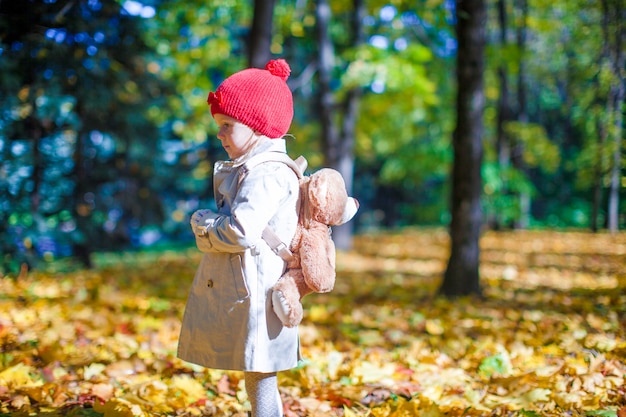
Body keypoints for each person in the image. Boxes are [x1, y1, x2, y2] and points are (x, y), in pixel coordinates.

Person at [177, 59, 300, 417]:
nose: (220, 134)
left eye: (228, 125)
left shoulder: (267, 174)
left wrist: (204, 225)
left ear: (258, 125)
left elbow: (242, 231)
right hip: (251, 283)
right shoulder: (254, 169)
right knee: (257, 371)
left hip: (257, 288)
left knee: (261, 371)